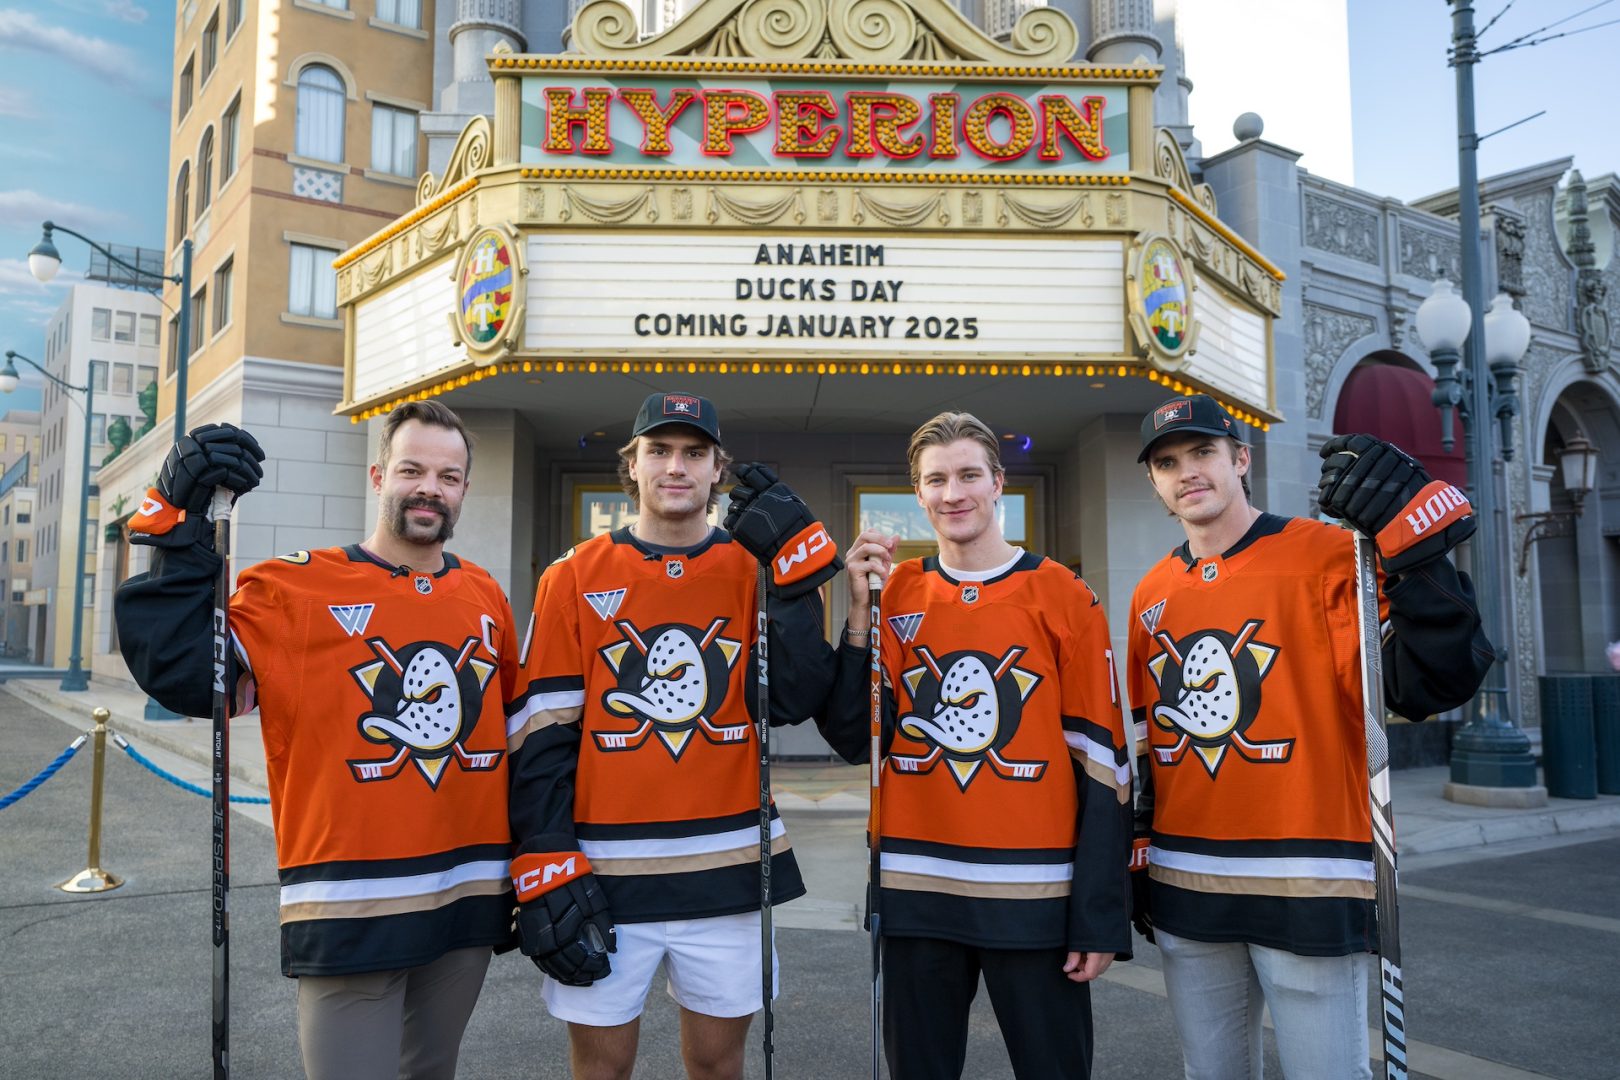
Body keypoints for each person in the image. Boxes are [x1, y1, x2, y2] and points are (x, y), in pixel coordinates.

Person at [116, 402, 520, 1080]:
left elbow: (513, 736)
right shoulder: (293, 587)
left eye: (449, 477)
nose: (430, 488)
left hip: (469, 891)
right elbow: (185, 672)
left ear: (464, 491)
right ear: (377, 475)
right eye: (412, 469)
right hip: (350, 897)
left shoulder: (485, 595)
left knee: (432, 1072)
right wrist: (173, 519)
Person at [1128, 393, 1493, 1079]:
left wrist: (1415, 560)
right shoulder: (1151, 593)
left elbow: (1431, 681)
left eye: (1203, 452)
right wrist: (1141, 845)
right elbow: (1156, 739)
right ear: (1154, 482)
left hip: (1311, 874)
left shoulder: (1331, 556)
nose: (1187, 473)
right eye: (1168, 462)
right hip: (1187, 878)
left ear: (1240, 459)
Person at [507, 391, 845, 1080]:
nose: (676, 466)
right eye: (659, 451)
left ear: (719, 469)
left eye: (694, 453)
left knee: (718, 1066)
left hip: (726, 871)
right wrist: (545, 854)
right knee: (601, 1069)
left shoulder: (750, 567)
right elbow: (544, 732)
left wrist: (794, 579)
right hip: (605, 872)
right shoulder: (571, 575)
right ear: (631, 466)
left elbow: (792, 698)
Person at [831, 411, 1132, 1080]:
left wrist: (1098, 916)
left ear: (998, 483)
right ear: (919, 495)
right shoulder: (896, 592)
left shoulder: (1062, 594)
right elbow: (857, 737)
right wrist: (856, 613)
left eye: (968, 475)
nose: (952, 493)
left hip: (1034, 896)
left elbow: (1104, 763)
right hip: (917, 890)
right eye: (935, 480)